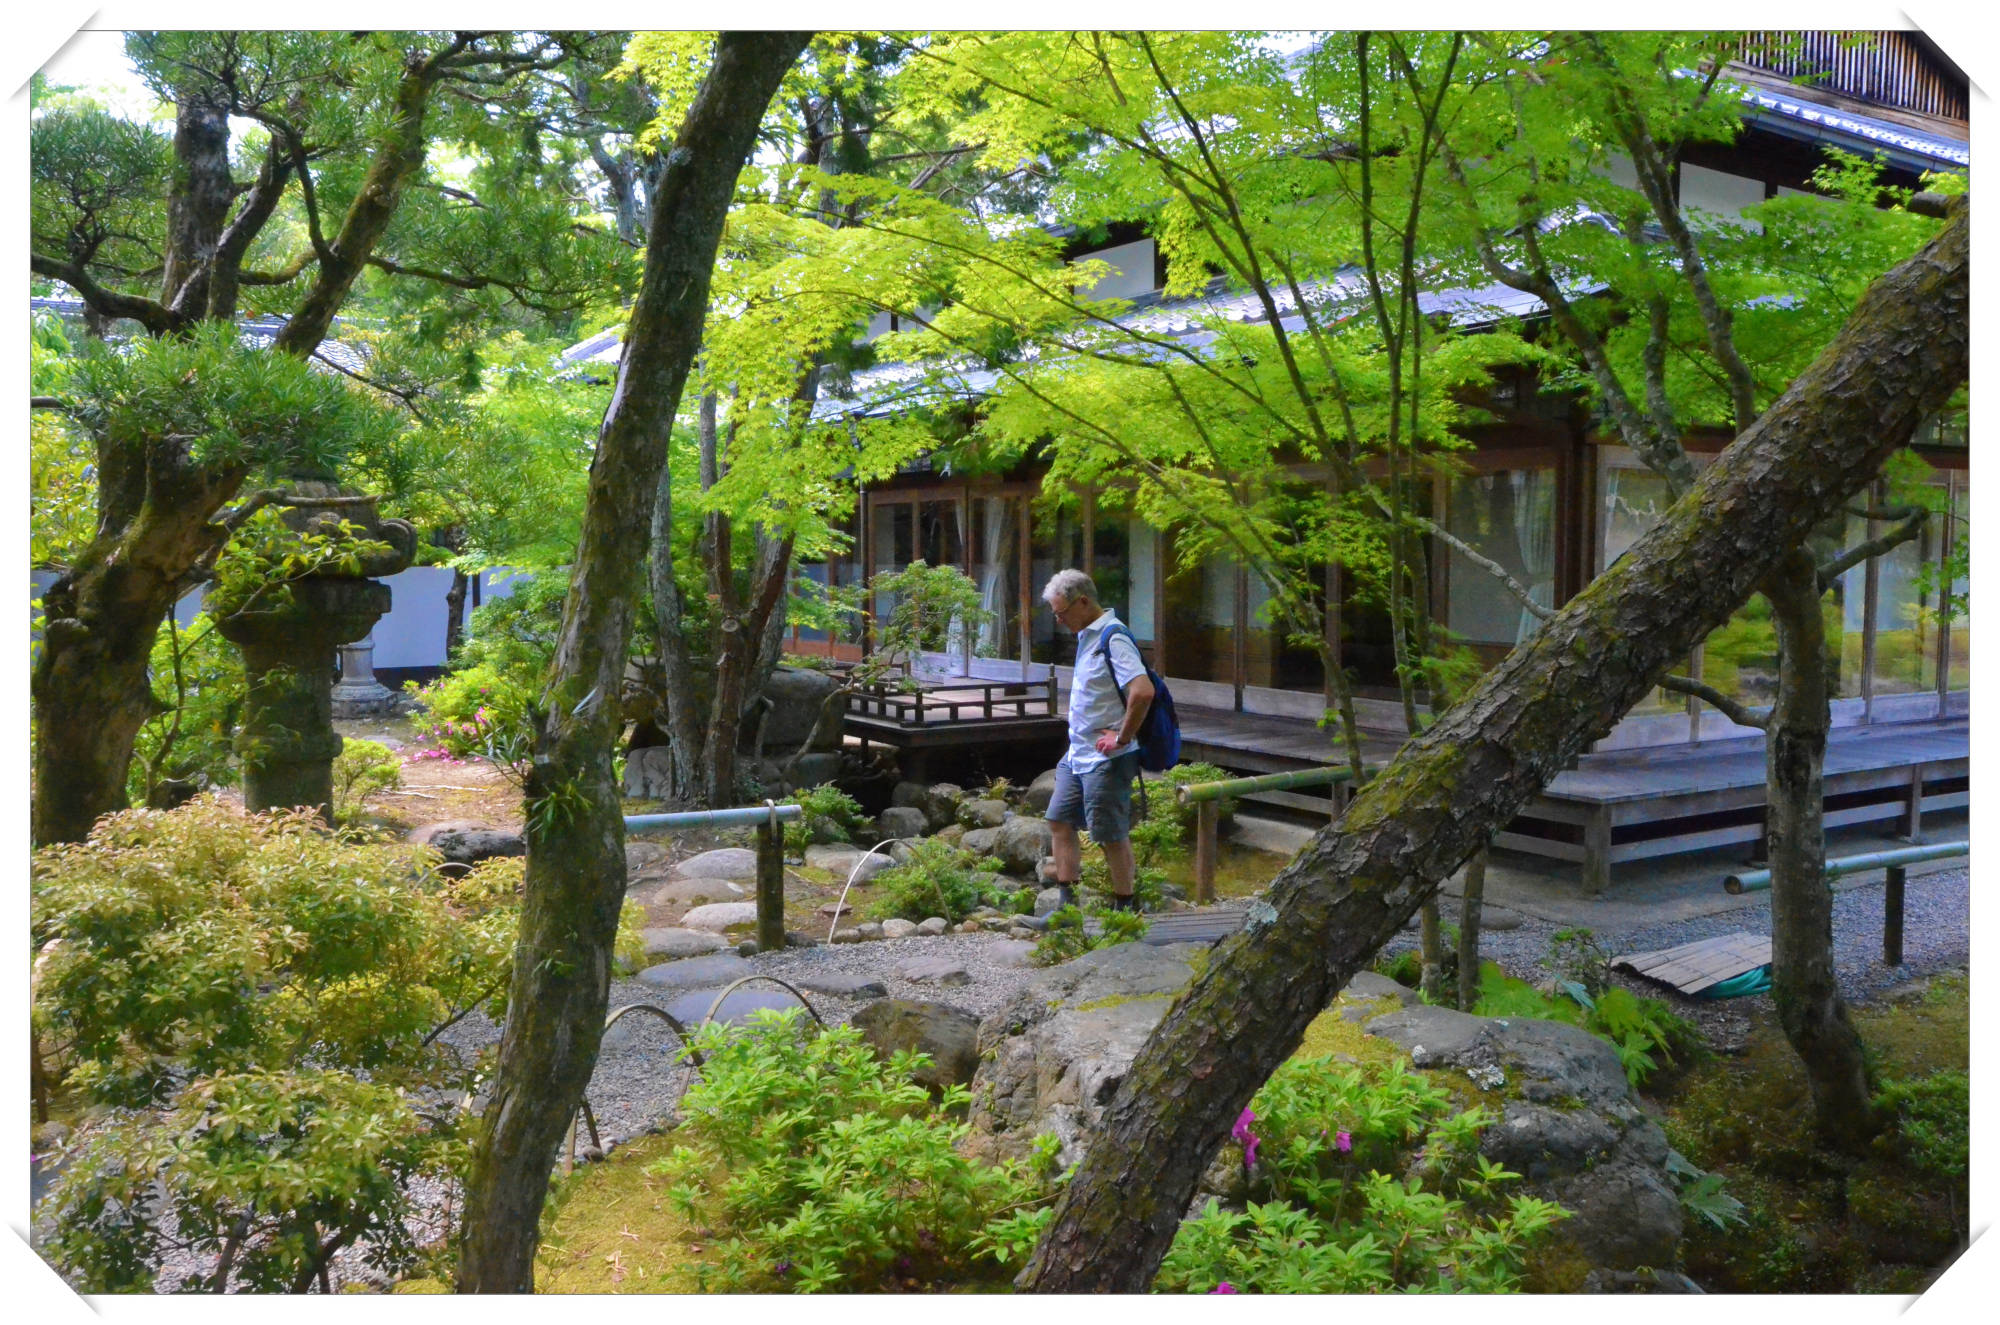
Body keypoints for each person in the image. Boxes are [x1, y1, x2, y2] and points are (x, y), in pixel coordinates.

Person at [1040, 569, 1154, 912]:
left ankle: (1125, 909)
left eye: (1062, 612)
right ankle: (1066, 911)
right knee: (1059, 820)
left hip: (1107, 758)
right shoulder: (1086, 636)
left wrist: (1122, 736)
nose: (1059, 620)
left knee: (1109, 835)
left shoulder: (1112, 637)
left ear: (1084, 601)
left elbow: (1142, 691)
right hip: (1078, 753)